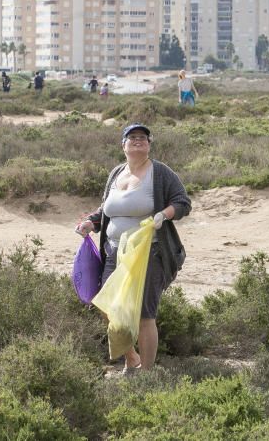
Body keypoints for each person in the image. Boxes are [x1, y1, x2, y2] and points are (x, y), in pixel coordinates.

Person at [75, 124, 191, 371]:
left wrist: (163, 215)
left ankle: (146, 374)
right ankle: (131, 358)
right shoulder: (116, 173)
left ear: (149, 145)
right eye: (132, 137)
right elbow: (106, 209)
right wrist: (90, 223)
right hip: (114, 251)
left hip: (150, 252)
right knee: (107, 306)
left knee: (144, 314)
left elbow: (182, 202)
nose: (138, 141)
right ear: (123, 145)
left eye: (143, 138)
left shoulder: (160, 173)